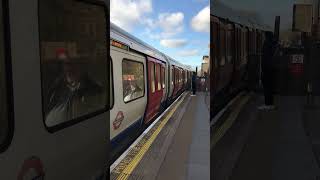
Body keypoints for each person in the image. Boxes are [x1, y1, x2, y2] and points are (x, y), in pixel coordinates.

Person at [45, 48, 104, 126]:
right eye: (66, 64)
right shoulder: (56, 86)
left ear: (82, 67)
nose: (69, 68)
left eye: (73, 64)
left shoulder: (95, 89)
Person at [258, 32, 278, 110]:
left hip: (267, 69)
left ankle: (268, 104)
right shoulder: (273, 44)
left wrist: (263, 70)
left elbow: (265, 58)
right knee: (270, 87)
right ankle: (270, 103)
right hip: (271, 69)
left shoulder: (267, 44)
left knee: (267, 87)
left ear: (267, 37)